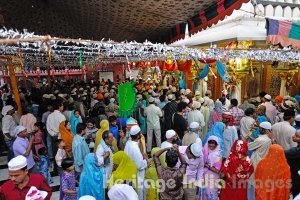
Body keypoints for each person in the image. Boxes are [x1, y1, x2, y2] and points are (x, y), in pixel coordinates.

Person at [247, 121, 273, 200]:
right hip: (264, 163)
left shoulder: (261, 139)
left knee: (253, 185)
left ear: (263, 130)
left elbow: (248, 146)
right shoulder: (268, 139)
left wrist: (249, 134)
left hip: (256, 163)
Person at [124, 125, 150, 200]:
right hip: (137, 176)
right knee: (138, 195)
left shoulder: (128, 143)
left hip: (129, 174)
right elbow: (140, 165)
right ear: (138, 135)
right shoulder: (134, 148)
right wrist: (147, 160)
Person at [201, 136, 223, 200]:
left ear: (217, 144)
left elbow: (218, 171)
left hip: (213, 178)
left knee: (212, 193)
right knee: (205, 193)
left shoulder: (218, 155)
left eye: (213, 143)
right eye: (210, 143)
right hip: (205, 176)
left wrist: (207, 166)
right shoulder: (205, 152)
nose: (211, 145)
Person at [46, 99, 66, 165]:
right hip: (60, 136)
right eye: (62, 105)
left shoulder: (49, 116)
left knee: (55, 152)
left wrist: (53, 134)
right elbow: (63, 129)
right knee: (62, 153)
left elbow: (48, 128)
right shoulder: (62, 116)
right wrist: (59, 134)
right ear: (59, 106)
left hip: (52, 136)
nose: (63, 107)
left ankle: (56, 167)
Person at [285, 132, 300, 198]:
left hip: (297, 180)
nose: (293, 136)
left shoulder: (296, 151)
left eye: (296, 136)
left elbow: (281, 152)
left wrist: (273, 141)